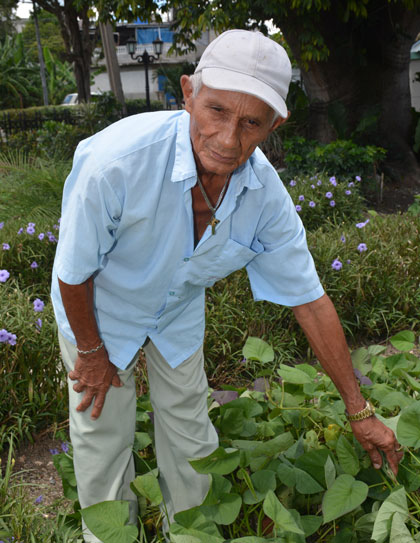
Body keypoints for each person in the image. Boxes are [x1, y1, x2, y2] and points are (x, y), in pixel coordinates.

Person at [51, 29, 402, 542]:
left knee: (193, 440)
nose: (229, 139)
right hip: (98, 311)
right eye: (216, 111)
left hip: (175, 315)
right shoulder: (116, 163)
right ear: (189, 94)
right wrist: (92, 350)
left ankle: (188, 534)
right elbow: (73, 273)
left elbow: (309, 299)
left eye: (251, 122)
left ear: (274, 124)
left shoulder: (266, 198)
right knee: (103, 438)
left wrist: (358, 408)